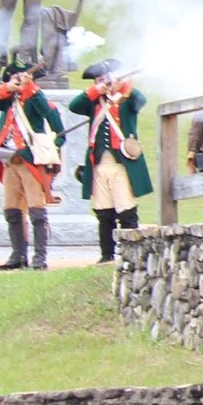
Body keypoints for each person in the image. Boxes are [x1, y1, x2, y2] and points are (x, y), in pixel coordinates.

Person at [0, 58, 65, 271]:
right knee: (11, 210)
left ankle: (40, 258)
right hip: (9, 161)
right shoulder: (8, 100)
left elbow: (56, 125)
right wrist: (9, 87)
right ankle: (18, 256)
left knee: (36, 210)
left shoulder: (36, 98)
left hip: (31, 161)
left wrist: (31, 88)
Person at [69, 58, 150, 263]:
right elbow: (74, 106)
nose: (102, 83)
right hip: (98, 164)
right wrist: (97, 90)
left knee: (126, 210)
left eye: (104, 79)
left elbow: (140, 100)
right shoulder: (94, 101)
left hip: (122, 163)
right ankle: (107, 255)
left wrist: (122, 86)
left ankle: (132, 255)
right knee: (103, 211)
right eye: (98, 80)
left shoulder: (126, 99)